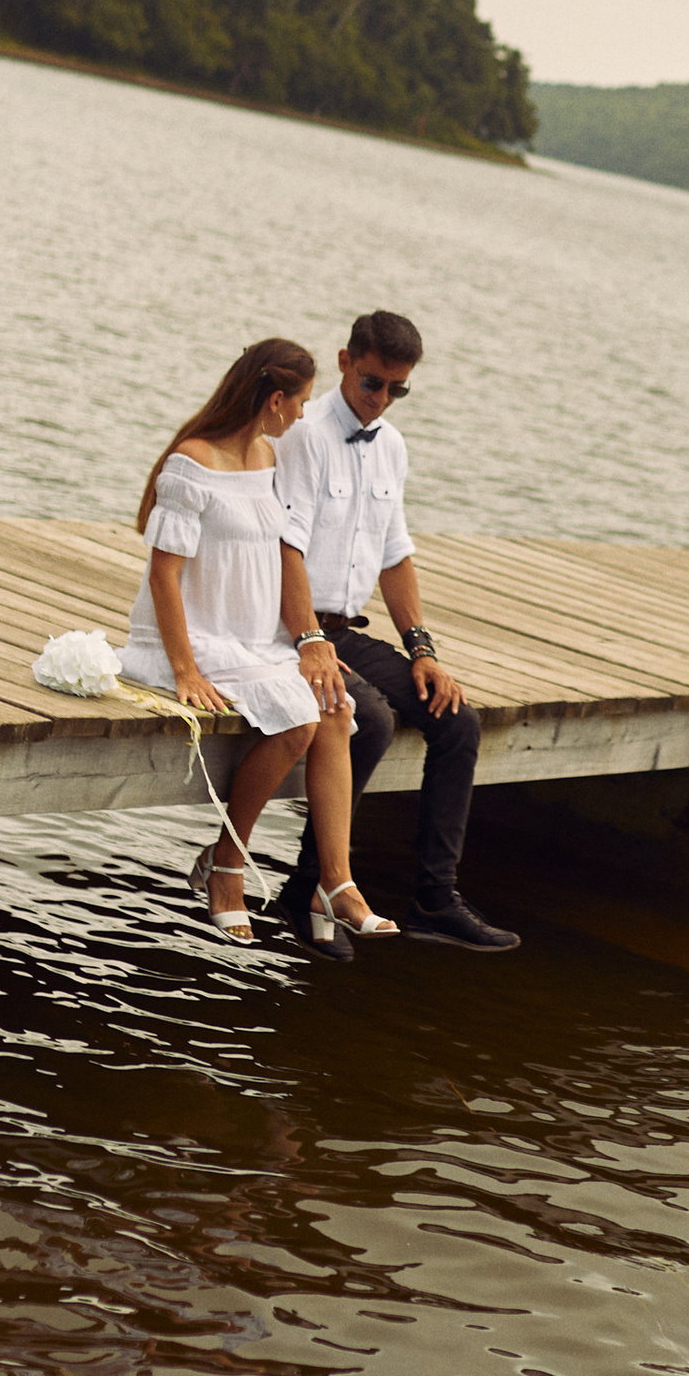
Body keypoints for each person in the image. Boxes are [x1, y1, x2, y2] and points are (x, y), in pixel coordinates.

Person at [120, 337, 397, 958]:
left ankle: (336, 882)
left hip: (252, 637)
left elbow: (273, 555)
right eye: (298, 402)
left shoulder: (266, 457)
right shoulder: (191, 462)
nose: (303, 414)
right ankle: (226, 865)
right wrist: (184, 669)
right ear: (275, 400)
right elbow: (164, 574)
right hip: (194, 640)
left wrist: (307, 640)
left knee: (335, 707)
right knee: (299, 719)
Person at [273, 311, 518, 952]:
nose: (380, 400)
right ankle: (306, 893)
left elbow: (395, 556)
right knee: (370, 721)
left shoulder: (392, 446)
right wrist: (308, 641)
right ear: (345, 361)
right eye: (373, 383)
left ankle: (434, 900)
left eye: (396, 390)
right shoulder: (303, 436)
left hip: (345, 632)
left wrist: (423, 650)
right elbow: (285, 550)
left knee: (457, 717)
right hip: (288, 630)